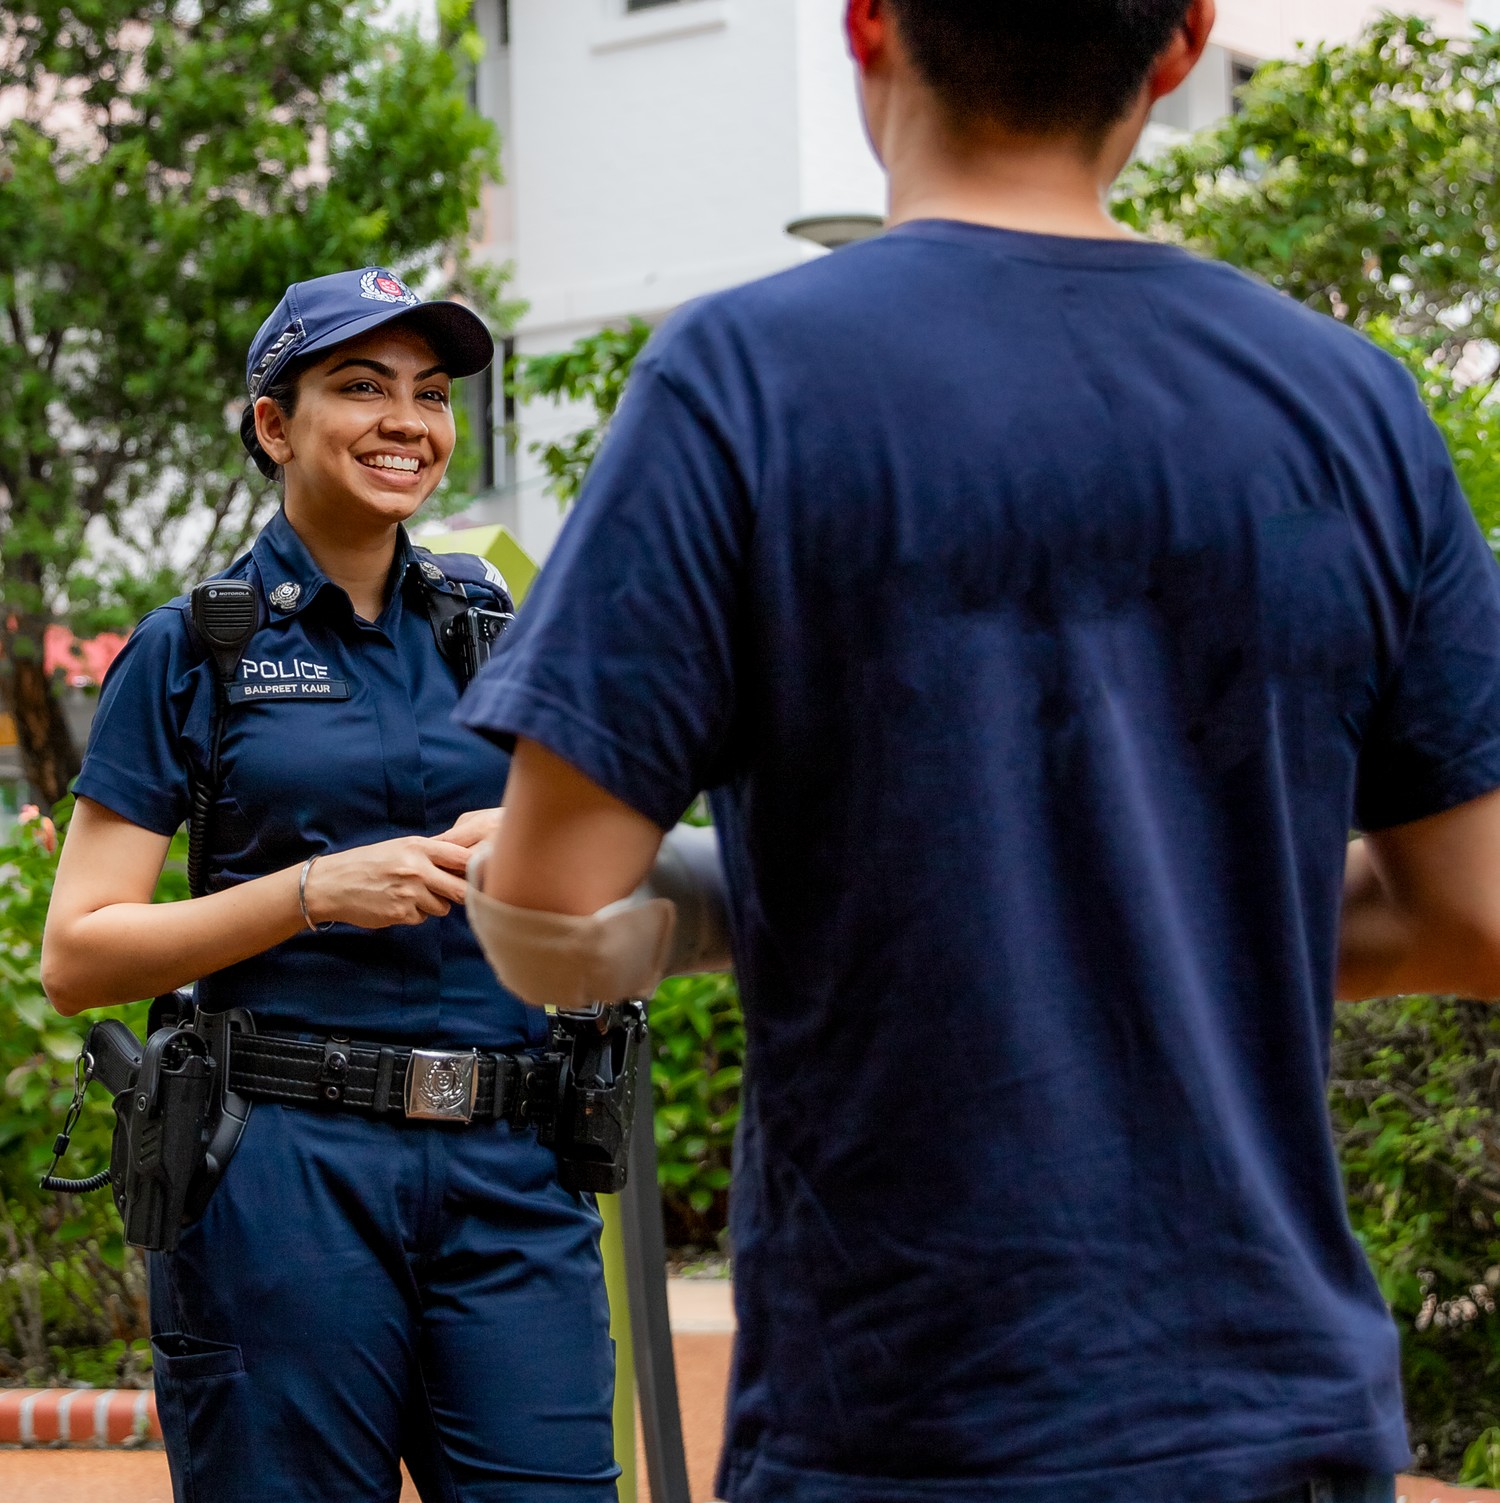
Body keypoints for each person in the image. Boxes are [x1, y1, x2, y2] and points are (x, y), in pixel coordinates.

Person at [451, 3, 1500, 1502]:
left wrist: (780, 902)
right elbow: (1475, 912)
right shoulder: (1352, 407)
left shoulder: (746, 379)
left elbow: (554, 914)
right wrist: (1184, 921)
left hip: (908, 1411)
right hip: (1276, 1414)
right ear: (1185, 42)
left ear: (866, 22)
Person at [40, 268, 619, 1503]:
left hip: (512, 1170)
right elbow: (78, 951)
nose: (407, 420)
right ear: (272, 423)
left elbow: (594, 875)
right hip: (285, 1180)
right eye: (360, 387)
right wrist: (312, 892)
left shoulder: (498, 626)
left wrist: (537, 843)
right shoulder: (196, 645)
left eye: (431, 392)